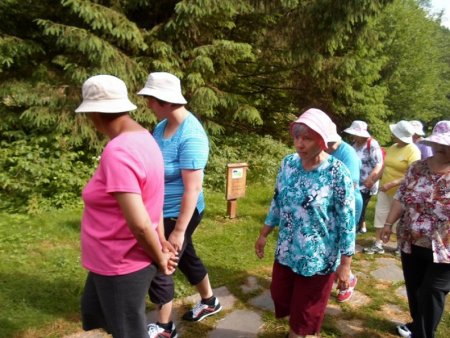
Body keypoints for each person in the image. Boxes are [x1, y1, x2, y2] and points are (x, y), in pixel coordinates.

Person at [76, 75, 178, 338]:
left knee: (128, 332)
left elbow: (140, 223)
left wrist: (160, 256)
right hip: (112, 260)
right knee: (102, 316)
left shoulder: (119, 151)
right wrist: (162, 240)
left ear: (95, 113)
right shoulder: (145, 137)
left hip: (120, 261)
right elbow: (152, 199)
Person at [255, 108, 355, 338]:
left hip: (318, 258)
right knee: (280, 295)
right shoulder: (288, 164)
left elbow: (347, 222)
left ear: (322, 140)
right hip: (287, 252)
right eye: (297, 137)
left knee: (305, 315)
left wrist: (346, 264)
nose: (299, 144)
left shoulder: (337, 173)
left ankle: (302, 331)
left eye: (307, 138)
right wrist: (264, 233)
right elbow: (278, 200)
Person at [137, 72, 221, 338]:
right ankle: (209, 301)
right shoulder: (162, 127)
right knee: (186, 258)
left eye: (151, 100)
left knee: (163, 261)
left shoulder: (192, 135)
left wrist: (178, 231)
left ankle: (164, 328)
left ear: (166, 101)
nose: (148, 105)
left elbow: (192, 189)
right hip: (161, 210)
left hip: (181, 212)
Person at [380, 120, 450, 338]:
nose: (443, 149)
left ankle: (423, 333)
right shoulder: (417, 168)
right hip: (412, 239)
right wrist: (388, 223)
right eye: (440, 144)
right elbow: (401, 198)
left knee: (432, 290)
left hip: (445, 247)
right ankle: (417, 325)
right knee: (415, 288)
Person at [364, 120, 420, 255]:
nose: (392, 135)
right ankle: (378, 243)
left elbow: (413, 174)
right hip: (385, 189)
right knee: (380, 214)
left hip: (402, 192)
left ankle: (399, 246)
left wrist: (393, 183)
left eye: (395, 133)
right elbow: (384, 166)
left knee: (399, 219)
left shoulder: (413, 151)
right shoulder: (393, 147)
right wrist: (374, 179)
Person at [326, 122, 362, 303]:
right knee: (330, 244)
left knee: (341, 243)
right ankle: (342, 277)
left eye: (331, 143)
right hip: (328, 206)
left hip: (348, 205)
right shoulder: (323, 150)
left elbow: (352, 185)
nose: (328, 147)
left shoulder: (348, 153)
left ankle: (348, 279)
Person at [343, 120, 384, 234]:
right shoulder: (354, 145)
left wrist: (371, 179)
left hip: (367, 182)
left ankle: (355, 229)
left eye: (355, 134)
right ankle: (361, 227)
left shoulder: (372, 144)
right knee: (356, 203)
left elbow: (379, 164)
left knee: (360, 204)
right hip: (355, 181)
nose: (353, 136)